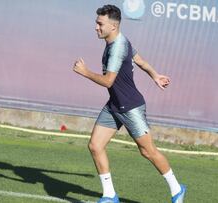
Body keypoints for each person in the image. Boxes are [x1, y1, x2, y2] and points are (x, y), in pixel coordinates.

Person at [73, 4, 186, 203]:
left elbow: (108, 81)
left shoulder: (117, 48)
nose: (96, 27)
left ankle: (177, 189)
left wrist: (85, 72)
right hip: (114, 105)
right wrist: (155, 75)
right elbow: (140, 61)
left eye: (100, 23)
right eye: (96, 23)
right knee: (95, 145)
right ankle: (109, 195)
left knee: (148, 151)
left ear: (113, 27)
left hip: (131, 108)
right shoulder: (120, 40)